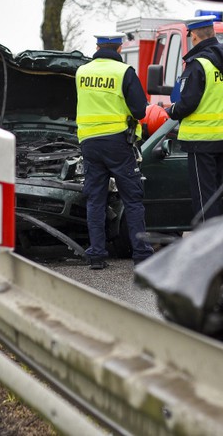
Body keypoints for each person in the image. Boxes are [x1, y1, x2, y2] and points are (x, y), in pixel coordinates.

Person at [76, 33, 154, 269]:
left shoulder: (82, 72)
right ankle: (141, 253)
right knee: (132, 198)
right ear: (120, 49)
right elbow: (140, 111)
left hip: (89, 142)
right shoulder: (124, 72)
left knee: (95, 200)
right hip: (117, 143)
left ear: (97, 47)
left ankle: (97, 256)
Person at [165, 15, 223, 222]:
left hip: (201, 140)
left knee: (204, 196)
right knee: (215, 191)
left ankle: (209, 243)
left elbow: (188, 103)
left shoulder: (198, 64)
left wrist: (170, 111)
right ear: (213, 33)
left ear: (194, 37)